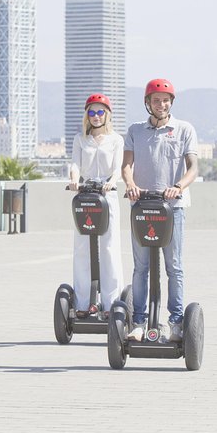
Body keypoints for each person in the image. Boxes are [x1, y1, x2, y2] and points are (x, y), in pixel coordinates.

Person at [121, 78, 199, 342]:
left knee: (173, 267)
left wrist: (178, 186)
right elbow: (126, 165)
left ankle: (176, 323)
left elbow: (193, 168)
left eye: (165, 100)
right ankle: (139, 323)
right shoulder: (134, 130)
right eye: (156, 100)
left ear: (171, 102)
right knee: (140, 267)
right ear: (147, 103)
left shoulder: (184, 129)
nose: (161, 104)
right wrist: (130, 184)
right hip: (141, 205)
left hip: (173, 207)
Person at [68, 93, 124, 318]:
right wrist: (74, 179)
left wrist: (111, 182)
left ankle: (111, 304)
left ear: (107, 115)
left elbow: (118, 168)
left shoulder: (116, 140)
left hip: (107, 196)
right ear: (87, 115)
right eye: (91, 112)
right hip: (85, 196)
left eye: (100, 112)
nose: (96, 116)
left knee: (109, 248)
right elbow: (75, 164)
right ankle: (83, 303)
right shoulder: (80, 139)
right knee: (82, 248)